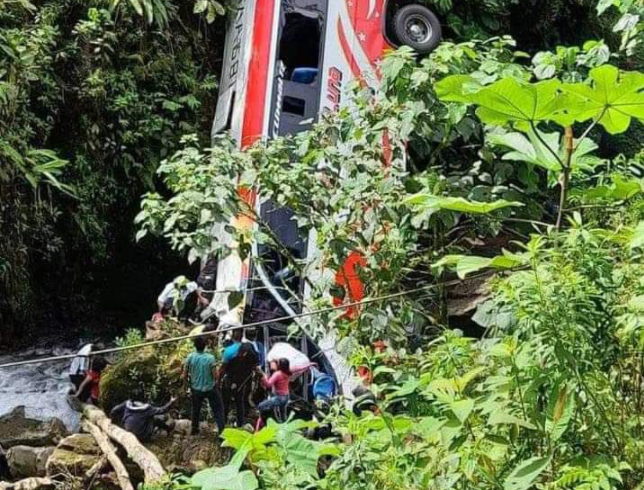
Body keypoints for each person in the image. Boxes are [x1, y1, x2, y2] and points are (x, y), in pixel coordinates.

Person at [182, 337, 225, 435]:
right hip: (210, 388)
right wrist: (217, 382)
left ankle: (194, 429)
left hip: (196, 389)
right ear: (205, 345)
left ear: (195, 346)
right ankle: (222, 431)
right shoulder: (210, 358)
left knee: (196, 409)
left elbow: (184, 374)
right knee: (218, 409)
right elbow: (216, 376)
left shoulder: (190, 357)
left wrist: (185, 386)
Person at [220, 342, 259, 428]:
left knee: (239, 401)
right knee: (226, 402)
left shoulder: (250, 360)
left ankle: (240, 423)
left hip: (241, 381)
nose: (240, 355)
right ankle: (223, 423)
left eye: (241, 354)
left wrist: (237, 384)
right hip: (230, 379)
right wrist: (230, 382)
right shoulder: (233, 357)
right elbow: (226, 370)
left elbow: (247, 373)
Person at [110, 397, 176, 442]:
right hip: (140, 436)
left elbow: (114, 410)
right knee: (154, 418)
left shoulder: (127, 404)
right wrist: (171, 401)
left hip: (128, 431)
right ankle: (168, 429)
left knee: (145, 418)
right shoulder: (146, 408)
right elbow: (162, 410)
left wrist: (112, 421)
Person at [256, 358, 292, 429]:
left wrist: (262, 376)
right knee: (282, 416)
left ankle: (265, 424)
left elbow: (268, 384)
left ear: (280, 365)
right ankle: (285, 429)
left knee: (260, 406)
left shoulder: (278, 374)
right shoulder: (287, 373)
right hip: (286, 397)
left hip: (279, 397)